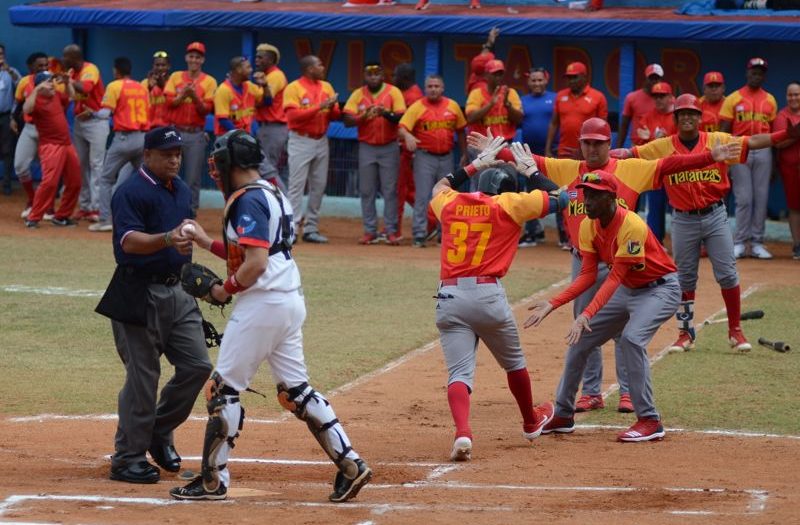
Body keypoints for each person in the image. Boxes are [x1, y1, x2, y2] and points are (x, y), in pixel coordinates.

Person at [470, 118, 742, 414]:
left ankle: (627, 391)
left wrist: (709, 157)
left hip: (619, 260)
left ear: (609, 144)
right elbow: (526, 160)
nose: (592, 148)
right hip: (584, 258)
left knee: (622, 326)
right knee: (584, 328)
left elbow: (669, 165)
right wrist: (495, 150)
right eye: (586, 142)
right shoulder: (569, 169)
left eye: (598, 143)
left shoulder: (628, 169)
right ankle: (591, 391)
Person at [169, 129, 372, 502]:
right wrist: (206, 242)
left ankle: (213, 481)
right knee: (296, 391)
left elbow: (256, 264)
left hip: (262, 304)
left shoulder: (248, 201)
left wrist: (221, 290)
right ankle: (350, 464)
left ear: (232, 164)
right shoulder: (273, 191)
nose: (216, 169)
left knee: (222, 390)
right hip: (287, 301)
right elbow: (254, 253)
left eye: (220, 163)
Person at [613, 93, 793, 353]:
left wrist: (784, 136)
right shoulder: (663, 145)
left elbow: (753, 141)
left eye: (692, 114)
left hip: (715, 216)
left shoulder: (717, 140)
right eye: (682, 114)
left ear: (700, 118)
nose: (687, 117)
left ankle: (735, 330)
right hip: (683, 220)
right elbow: (631, 153)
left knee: (728, 273)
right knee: (685, 279)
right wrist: (613, 154)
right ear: (676, 119)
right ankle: (685, 333)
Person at [524, 170, 681, 443]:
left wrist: (586, 313)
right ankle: (563, 415)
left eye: (594, 196)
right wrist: (553, 303)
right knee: (581, 341)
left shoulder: (632, 224)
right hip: (629, 289)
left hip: (661, 289)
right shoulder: (588, 225)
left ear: (611, 198)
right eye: (586, 194)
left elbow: (616, 276)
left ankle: (650, 420)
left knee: (632, 340)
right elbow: (587, 275)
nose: (587, 201)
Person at [95, 126, 212, 484]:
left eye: (178, 153)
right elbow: (128, 242)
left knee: (197, 366)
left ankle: (158, 431)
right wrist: (166, 239)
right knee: (144, 378)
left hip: (178, 293)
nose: (175, 159)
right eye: (166, 154)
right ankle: (127, 457)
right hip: (139, 292)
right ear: (147, 155)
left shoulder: (180, 190)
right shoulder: (130, 191)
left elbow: (181, 239)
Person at [428, 134, 556, 461]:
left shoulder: (453, 202)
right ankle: (530, 421)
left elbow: (438, 187)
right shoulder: (509, 204)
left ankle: (463, 433)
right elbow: (563, 196)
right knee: (514, 363)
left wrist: (474, 164)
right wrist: (531, 171)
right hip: (487, 296)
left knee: (459, 374)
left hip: (450, 295)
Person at [398, 74, 467, 247]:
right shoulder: (417, 107)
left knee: (446, 196)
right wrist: (407, 136)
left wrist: (465, 154)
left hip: (447, 156)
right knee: (422, 196)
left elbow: (461, 130)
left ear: (442, 88)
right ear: (425, 88)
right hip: (424, 156)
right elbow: (402, 127)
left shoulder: (452, 106)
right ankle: (419, 234)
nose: (433, 89)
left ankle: (445, 234)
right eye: (430, 86)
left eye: (437, 86)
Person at [720, 57, 777, 259]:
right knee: (744, 197)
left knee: (761, 197)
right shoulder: (733, 98)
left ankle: (757, 242)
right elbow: (724, 130)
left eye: (760, 72)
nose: (756, 75)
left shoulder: (770, 100)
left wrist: (775, 165)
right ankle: (740, 242)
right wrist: (723, 159)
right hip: (739, 147)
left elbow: (773, 132)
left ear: (764, 76)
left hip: (763, 150)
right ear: (747, 73)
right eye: (754, 72)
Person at [545, 61, 607, 248]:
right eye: (568, 77)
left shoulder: (597, 97)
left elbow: (604, 128)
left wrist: (586, 149)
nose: (571, 80)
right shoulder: (561, 97)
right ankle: (567, 236)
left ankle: (591, 234)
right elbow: (554, 123)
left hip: (589, 154)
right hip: (564, 153)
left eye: (574, 77)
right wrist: (548, 148)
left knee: (586, 194)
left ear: (585, 77)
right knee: (564, 193)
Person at [343, 62, 406, 245]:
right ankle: (370, 231)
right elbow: (347, 120)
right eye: (369, 74)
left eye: (376, 74)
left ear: (382, 75)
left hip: (389, 146)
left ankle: (391, 231)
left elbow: (400, 117)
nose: (373, 77)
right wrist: (363, 116)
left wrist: (384, 112)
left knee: (390, 190)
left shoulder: (393, 91)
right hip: (367, 147)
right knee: (366, 190)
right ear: (365, 76)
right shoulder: (358, 94)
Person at [283, 55, 340, 244]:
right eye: (319, 64)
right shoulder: (294, 88)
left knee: (319, 186)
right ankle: (291, 229)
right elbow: (293, 118)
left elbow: (335, 115)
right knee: (296, 186)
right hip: (301, 139)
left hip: (321, 140)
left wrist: (332, 108)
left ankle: (311, 228)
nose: (322, 67)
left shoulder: (327, 87)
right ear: (309, 69)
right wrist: (320, 106)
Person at [90, 57, 151, 233]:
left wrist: (91, 114)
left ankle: (104, 219)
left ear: (116, 70)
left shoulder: (115, 86)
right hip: (142, 138)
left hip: (124, 138)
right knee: (148, 180)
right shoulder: (141, 87)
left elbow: (104, 114)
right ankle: (147, 219)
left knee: (106, 178)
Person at [21, 71, 81, 228]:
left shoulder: (56, 95)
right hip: (50, 145)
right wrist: (36, 89)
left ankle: (62, 216)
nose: (53, 84)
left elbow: (73, 97)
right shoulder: (36, 99)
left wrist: (67, 83)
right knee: (50, 183)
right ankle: (33, 217)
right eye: (49, 82)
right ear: (40, 85)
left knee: (75, 181)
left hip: (67, 144)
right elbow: (26, 109)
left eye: (53, 81)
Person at [164, 42, 218, 214]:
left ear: (202, 60)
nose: (194, 60)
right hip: (176, 131)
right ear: (186, 58)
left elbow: (206, 110)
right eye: (191, 56)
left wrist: (194, 96)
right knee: (171, 172)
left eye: (198, 57)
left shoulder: (209, 81)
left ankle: (190, 212)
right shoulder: (176, 77)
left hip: (196, 133)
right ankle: (171, 208)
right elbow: (169, 103)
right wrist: (182, 95)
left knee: (193, 177)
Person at [63, 44, 107, 223]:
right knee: (80, 165)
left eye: (66, 57)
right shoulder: (72, 73)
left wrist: (70, 81)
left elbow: (86, 89)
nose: (64, 59)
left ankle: (96, 207)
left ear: (75, 57)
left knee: (96, 164)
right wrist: (67, 82)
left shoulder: (90, 69)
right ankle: (85, 205)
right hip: (80, 122)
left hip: (96, 122)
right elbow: (71, 96)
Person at [518, 66, 557, 247]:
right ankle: (534, 233)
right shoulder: (522, 100)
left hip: (552, 153)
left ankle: (565, 236)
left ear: (546, 80)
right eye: (533, 80)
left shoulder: (555, 98)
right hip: (529, 154)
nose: (537, 83)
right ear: (528, 81)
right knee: (532, 193)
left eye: (540, 80)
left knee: (557, 190)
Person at [635, 81, 675, 243]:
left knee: (679, 208)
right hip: (655, 170)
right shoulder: (646, 117)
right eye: (656, 96)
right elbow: (640, 142)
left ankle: (683, 242)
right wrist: (655, 139)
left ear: (671, 97)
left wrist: (658, 139)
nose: (658, 99)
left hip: (674, 170)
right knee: (654, 208)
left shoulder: (678, 116)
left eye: (662, 96)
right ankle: (656, 244)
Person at [11, 51, 48, 215]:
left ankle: (48, 206)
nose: (44, 68)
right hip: (29, 127)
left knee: (49, 170)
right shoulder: (25, 81)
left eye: (46, 65)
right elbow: (18, 103)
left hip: (47, 129)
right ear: (30, 67)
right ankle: (32, 199)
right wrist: (13, 118)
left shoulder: (52, 81)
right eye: (40, 65)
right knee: (20, 166)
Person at [392, 62, 423, 240]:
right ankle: (431, 220)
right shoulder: (404, 93)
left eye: (396, 75)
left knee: (402, 190)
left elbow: (411, 127)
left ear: (404, 78)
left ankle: (396, 230)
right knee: (409, 190)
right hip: (403, 148)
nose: (393, 78)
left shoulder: (414, 96)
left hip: (407, 149)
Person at [254, 43, 289, 188]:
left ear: (270, 60)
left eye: (260, 57)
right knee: (269, 168)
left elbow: (265, 101)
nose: (256, 60)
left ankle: (280, 200)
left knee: (267, 169)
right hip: (270, 128)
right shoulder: (268, 75)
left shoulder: (275, 75)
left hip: (273, 128)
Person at [773, 81, 800, 260]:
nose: (793, 98)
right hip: (791, 168)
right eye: (790, 94)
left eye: (797, 94)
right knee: (795, 207)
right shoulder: (782, 116)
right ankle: (798, 245)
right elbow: (778, 142)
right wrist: (795, 134)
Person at [616, 63, 665, 148]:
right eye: (651, 78)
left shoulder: (666, 99)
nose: (654, 82)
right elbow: (624, 125)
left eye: (657, 79)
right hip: (638, 146)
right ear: (646, 79)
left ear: (661, 80)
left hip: (659, 147)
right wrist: (618, 148)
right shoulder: (632, 97)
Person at [213, 56, 263, 137]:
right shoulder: (223, 90)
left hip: (245, 135)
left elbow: (267, 101)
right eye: (248, 67)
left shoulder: (249, 86)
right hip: (227, 137)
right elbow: (223, 119)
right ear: (239, 70)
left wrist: (264, 85)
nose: (251, 70)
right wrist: (240, 135)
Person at [0, 44, 21, 196]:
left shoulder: (11, 72)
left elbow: (21, 85)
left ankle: (7, 183)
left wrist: (7, 70)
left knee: (7, 150)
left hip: (6, 116)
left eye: (1, 54)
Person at [143, 51, 171, 129]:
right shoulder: (145, 83)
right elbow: (140, 105)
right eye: (157, 65)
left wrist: (163, 87)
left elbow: (175, 104)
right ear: (153, 66)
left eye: (163, 65)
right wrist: (149, 88)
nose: (160, 68)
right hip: (149, 127)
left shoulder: (173, 82)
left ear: (168, 66)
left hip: (168, 127)